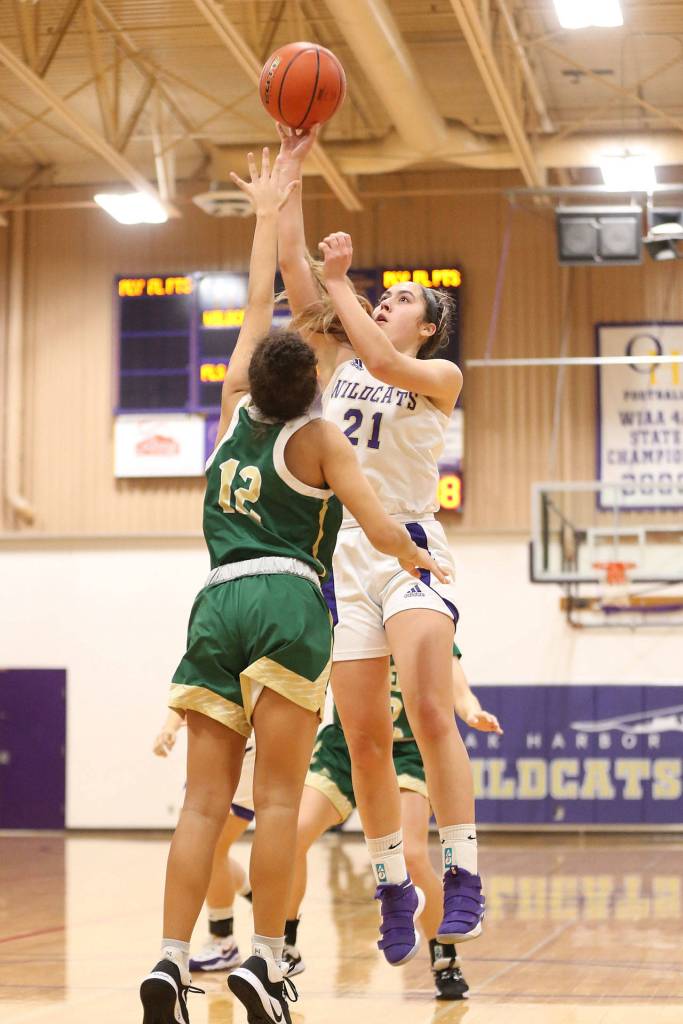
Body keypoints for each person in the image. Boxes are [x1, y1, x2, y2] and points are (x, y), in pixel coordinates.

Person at [139, 148, 447, 1024]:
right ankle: (267, 959)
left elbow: (255, 303)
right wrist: (420, 562)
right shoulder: (319, 436)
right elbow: (381, 526)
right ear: (314, 378)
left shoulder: (234, 405)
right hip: (284, 599)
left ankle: (168, 960)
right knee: (275, 799)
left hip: (214, 598)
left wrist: (267, 211)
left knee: (203, 803)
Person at [277, 125, 485, 969]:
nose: (388, 301)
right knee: (362, 735)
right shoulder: (345, 354)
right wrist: (288, 180)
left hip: (407, 549)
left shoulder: (436, 378)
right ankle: (392, 884)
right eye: (384, 294)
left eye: (403, 299)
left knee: (429, 709)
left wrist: (340, 284)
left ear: (428, 330)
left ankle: (462, 873)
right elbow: (297, 279)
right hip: (343, 564)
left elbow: (366, 343)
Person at [282, 651, 502, 1000]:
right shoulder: (346, 611)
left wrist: (470, 709)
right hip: (346, 747)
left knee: (412, 855)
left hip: (407, 751)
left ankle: (444, 954)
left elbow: (451, 672)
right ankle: (286, 947)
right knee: (291, 836)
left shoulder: (413, 609)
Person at [152, 711, 254, 972]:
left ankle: (224, 941)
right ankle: (251, 891)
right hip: (209, 748)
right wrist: (170, 726)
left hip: (245, 745)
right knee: (203, 846)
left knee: (213, 847)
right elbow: (188, 683)